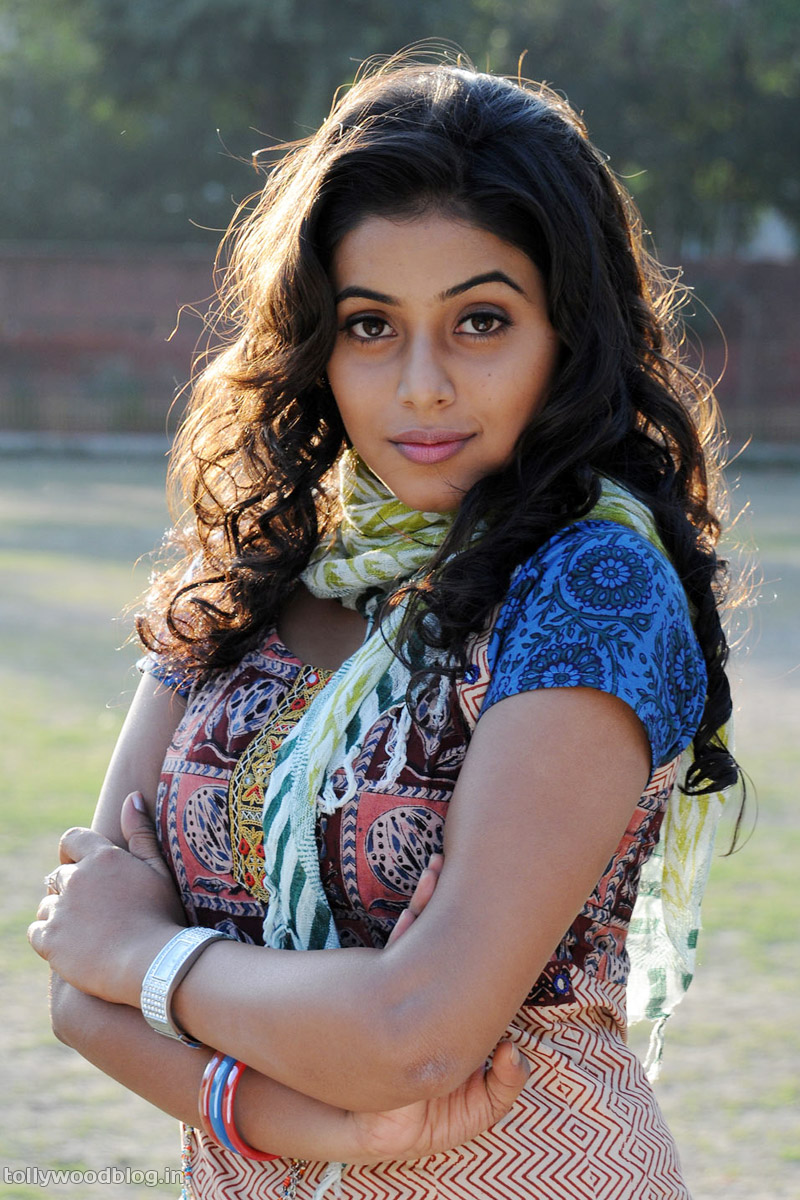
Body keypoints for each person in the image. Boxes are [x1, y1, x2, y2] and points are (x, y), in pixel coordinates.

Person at [28, 51, 742, 1200]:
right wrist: (303, 1121)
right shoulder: (254, 566)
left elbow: (417, 1034)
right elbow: (76, 990)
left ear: (568, 333)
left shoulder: (591, 585)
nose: (419, 385)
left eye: (479, 321)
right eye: (369, 325)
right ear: (316, 336)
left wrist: (141, 955)